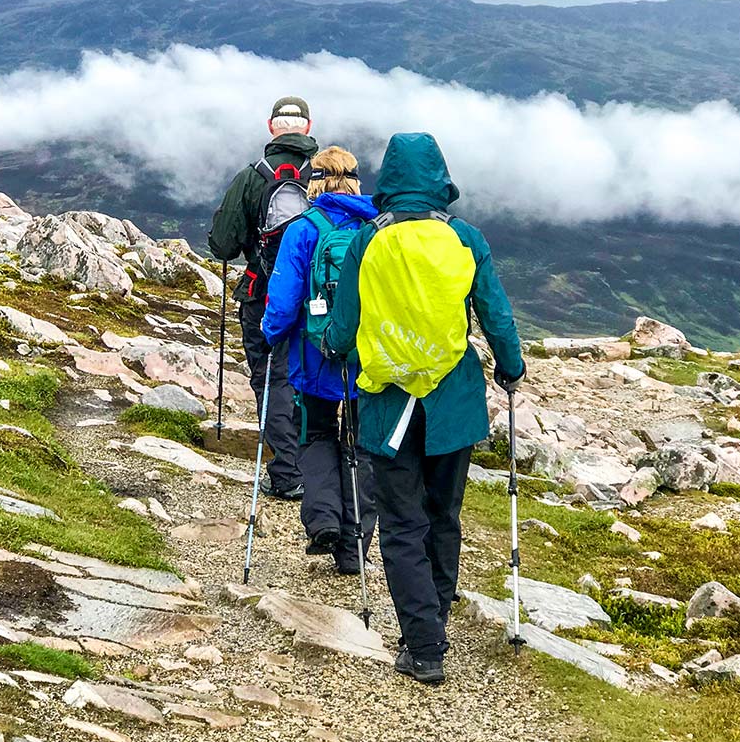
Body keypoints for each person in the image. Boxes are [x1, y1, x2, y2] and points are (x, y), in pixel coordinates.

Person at [324, 132, 525, 686]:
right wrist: (510, 367)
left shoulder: (368, 239)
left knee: (401, 521)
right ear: (440, 178)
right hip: (453, 405)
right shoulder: (465, 238)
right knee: (444, 514)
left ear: (389, 179)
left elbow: (344, 324)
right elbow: (495, 313)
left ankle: (424, 644)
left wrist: (333, 348)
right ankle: (435, 613)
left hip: (389, 404)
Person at [261, 146, 379, 571]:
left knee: (316, 435)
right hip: (369, 360)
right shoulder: (377, 228)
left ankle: (324, 521)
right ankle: (356, 550)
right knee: (365, 448)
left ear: (314, 181)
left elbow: (285, 296)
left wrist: (272, 335)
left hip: (316, 358)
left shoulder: (304, 227)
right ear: (356, 180)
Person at [208, 96, 318, 500]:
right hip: (321, 297)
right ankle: (322, 472)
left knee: (272, 379)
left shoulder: (252, 177)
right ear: (308, 128)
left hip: (264, 294)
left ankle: (287, 474)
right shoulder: (324, 175)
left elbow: (222, 245)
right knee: (315, 381)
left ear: (272, 127)